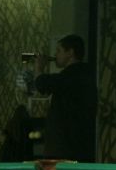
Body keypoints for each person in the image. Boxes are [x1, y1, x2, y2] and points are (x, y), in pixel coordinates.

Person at [34, 34, 97, 162]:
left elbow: (42, 83)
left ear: (70, 53)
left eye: (59, 50)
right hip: (82, 145)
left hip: (64, 147)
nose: (55, 54)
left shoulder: (71, 75)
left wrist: (38, 68)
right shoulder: (87, 73)